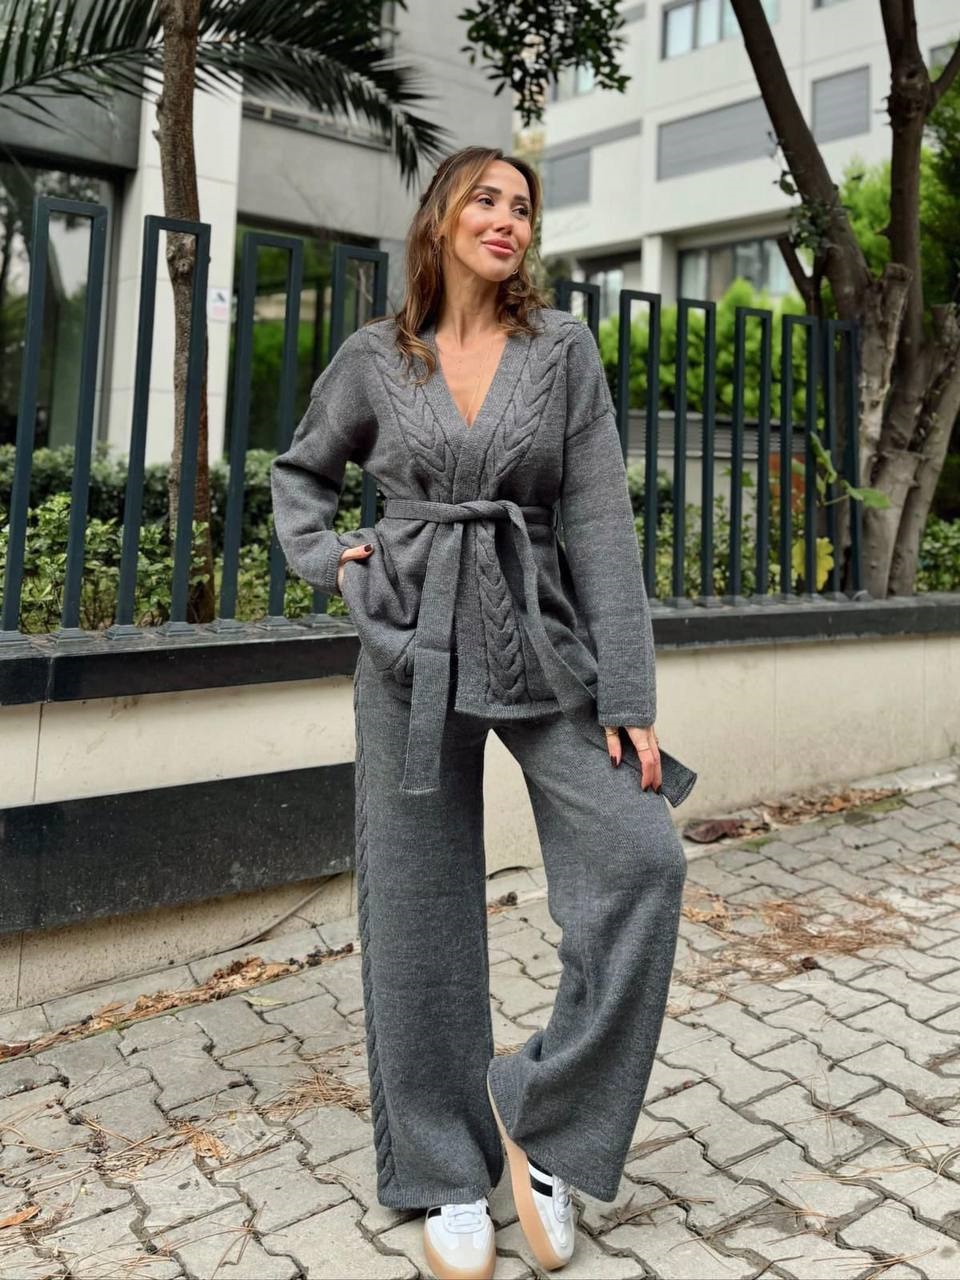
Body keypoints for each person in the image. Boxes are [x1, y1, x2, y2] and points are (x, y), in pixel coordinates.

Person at [270, 145, 697, 1280]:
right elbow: (301, 474)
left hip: (540, 634)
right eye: (487, 199)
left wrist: (629, 690)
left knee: (642, 857)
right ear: (442, 217)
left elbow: (599, 521)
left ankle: (538, 1116)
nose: (508, 218)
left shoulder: (561, 352)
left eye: (524, 205)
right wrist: (333, 556)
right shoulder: (376, 356)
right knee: (417, 911)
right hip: (407, 643)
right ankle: (443, 1169)